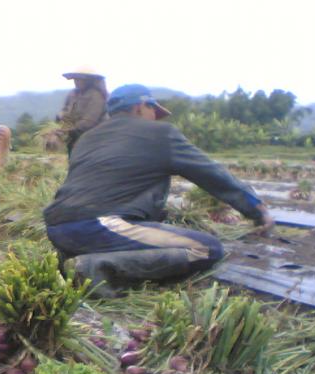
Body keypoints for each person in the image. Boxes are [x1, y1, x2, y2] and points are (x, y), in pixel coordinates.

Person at [43, 84, 274, 297]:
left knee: (137, 225)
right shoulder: (161, 135)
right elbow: (213, 176)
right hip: (100, 226)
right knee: (207, 248)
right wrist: (256, 208)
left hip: (57, 229)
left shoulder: (87, 139)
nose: (155, 117)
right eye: (154, 110)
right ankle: (100, 267)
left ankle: (74, 259)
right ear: (141, 107)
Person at [56, 67, 108, 156]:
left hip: (92, 139)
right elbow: (65, 109)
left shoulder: (96, 96)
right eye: (76, 79)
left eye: (80, 79)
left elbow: (89, 121)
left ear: (89, 80)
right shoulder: (73, 94)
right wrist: (61, 116)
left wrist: (68, 130)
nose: (77, 81)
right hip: (74, 138)